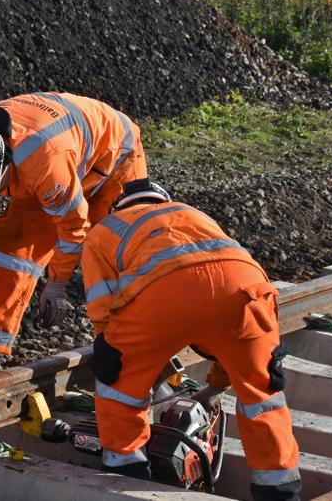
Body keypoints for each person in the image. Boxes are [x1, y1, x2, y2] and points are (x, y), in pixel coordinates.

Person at [80, 179, 302, 501]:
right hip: (245, 291)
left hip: (164, 297)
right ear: (163, 200)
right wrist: (216, 387)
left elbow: (102, 309)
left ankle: (126, 469)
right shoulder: (194, 214)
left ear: (120, 206)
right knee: (262, 393)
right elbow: (228, 306)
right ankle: (280, 488)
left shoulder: (106, 230)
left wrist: (117, 359)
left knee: (117, 389)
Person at [0, 92, 149, 375]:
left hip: (114, 161)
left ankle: (132, 345)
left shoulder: (44, 164)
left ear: (2, 166)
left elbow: (74, 227)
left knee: (112, 255)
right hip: (57, 157)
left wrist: (56, 284)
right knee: (9, 250)